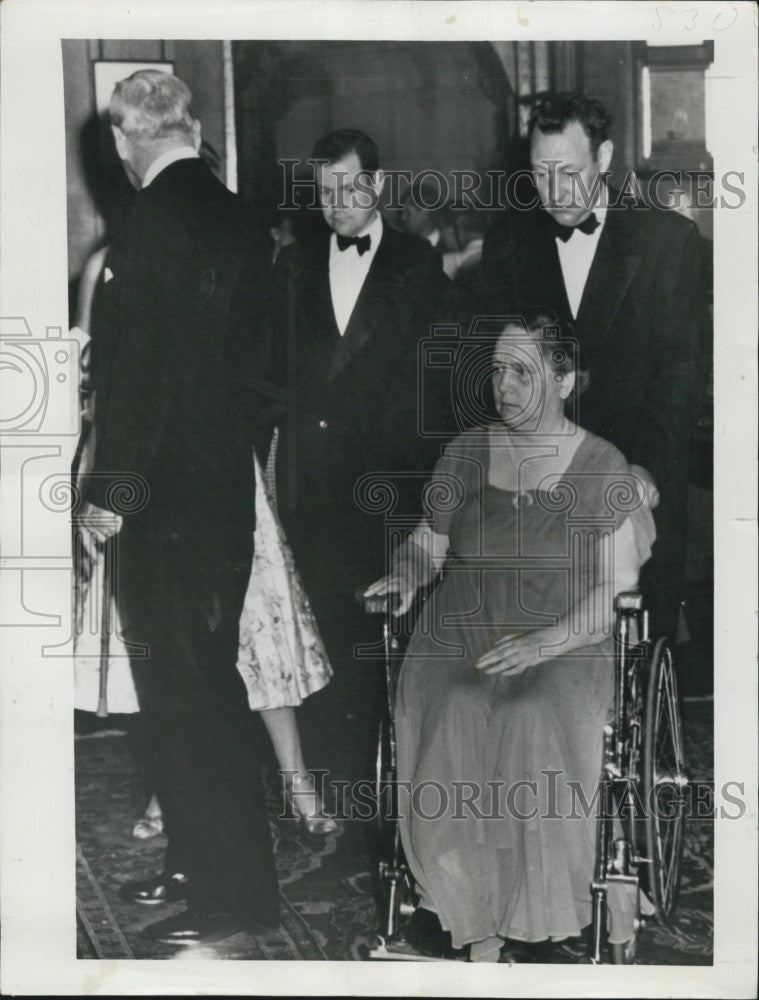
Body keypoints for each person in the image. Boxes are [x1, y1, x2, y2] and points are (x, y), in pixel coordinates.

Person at [366, 310, 655, 962]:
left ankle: (549, 917)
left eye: (522, 371)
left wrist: (546, 642)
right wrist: (406, 577)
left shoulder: (599, 464)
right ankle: (457, 905)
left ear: (564, 379)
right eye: (497, 370)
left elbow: (617, 589)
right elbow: (426, 544)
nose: (503, 385)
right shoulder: (467, 452)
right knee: (454, 708)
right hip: (463, 620)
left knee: (532, 716)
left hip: (570, 629)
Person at [78, 69, 279, 945]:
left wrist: (110, 498)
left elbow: (138, 385)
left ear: (127, 140)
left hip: (160, 510)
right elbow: (268, 378)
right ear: (192, 128)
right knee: (212, 693)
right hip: (223, 496)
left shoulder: (147, 223)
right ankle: (237, 894)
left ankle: (228, 907)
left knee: (183, 705)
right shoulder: (242, 216)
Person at [476, 92, 705, 640]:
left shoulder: (667, 242)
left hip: (634, 482)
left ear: (604, 158)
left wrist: (646, 468)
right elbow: (502, 378)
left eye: (568, 172)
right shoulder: (506, 244)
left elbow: (679, 377)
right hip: (541, 497)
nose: (552, 192)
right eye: (538, 173)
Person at [270, 129, 451, 767]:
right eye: (324, 193)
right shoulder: (292, 265)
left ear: (376, 184)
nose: (337, 203)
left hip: (389, 486)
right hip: (313, 489)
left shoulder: (417, 263)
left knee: (386, 649)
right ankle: (335, 791)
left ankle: (390, 795)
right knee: (322, 641)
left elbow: (440, 385)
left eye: (350, 187)